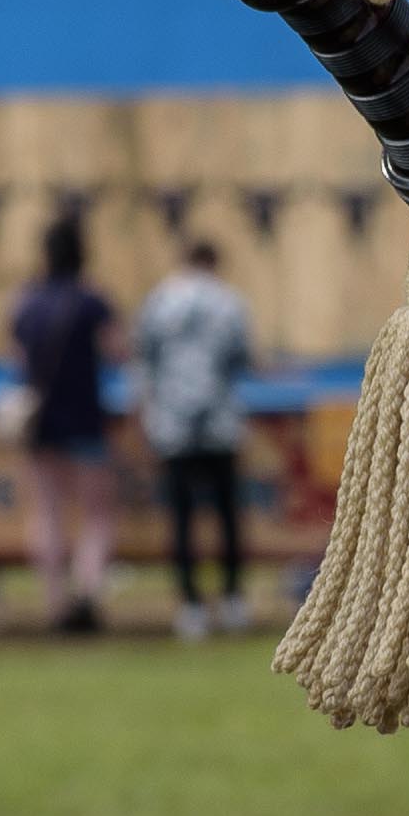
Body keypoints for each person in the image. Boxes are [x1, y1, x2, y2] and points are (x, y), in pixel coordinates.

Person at [132, 226, 261, 637]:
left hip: (172, 423)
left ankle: (190, 606)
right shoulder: (229, 301)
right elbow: (242, 358)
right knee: (226, 515)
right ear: (214, 261)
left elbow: (144, 364)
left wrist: (146, 416)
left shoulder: (158, 301)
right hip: (219, 421)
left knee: (183, 518)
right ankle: (233, 598)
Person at [5, 214, 124, 633]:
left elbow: (17, 360)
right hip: (85, 417)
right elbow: (118, 352)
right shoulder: (91, 301)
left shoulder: (26, 302)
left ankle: (54, 601)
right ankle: (87, 594)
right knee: (97, 515)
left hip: (41, 422)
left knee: (48, 512)